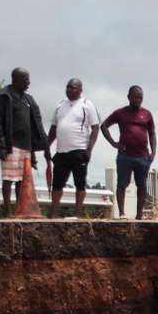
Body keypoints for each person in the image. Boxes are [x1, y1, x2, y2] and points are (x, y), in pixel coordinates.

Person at [0, 68, 48, 217]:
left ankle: (20, 210)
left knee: (22, 181)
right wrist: (0, 145)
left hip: (26, 146)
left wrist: (34, 150)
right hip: (10, 145)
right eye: (25, 80)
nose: (28, 83)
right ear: (15, 79)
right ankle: (7, 211)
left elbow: (35, 125)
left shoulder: (28, 100)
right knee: (8, 178)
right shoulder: (4, 96)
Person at [46, 78, 100, 219]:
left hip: (79, 150)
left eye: (73, 87)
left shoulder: (87, 104)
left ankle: (77, 213)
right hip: (62, 151)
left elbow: (95, 128)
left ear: (80, 90)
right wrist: (46, 145)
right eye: (68, 87)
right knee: (57, 184)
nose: (69, 90)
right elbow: (53, 127)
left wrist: (89, 149)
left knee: (80, 183)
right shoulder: (60, 105)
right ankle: (54, 213)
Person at [101, 86, 157, 219]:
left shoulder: (147, 114)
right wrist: (113, 143)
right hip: (125, 155)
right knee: (122, 184)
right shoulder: (121, 113)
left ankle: (139, 214)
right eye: (136, 97)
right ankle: (121, 213)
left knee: (142, 186)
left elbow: (152, 133)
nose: (138, 100)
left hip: (143, 156)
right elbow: (104, 126)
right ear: (129, 97)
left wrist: (153, 152)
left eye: (141, 97)